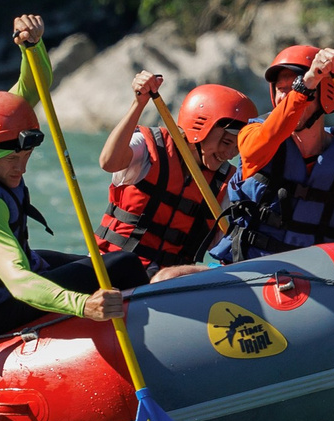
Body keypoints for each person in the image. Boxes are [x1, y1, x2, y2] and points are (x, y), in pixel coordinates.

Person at [0, 14, 139, 339]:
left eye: (26, 156)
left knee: (105, 262)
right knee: (124, 267)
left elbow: (30, 88)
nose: (21, 168)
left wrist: (31, 48)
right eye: (14, 159)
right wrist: (82, 305)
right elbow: (19, 281)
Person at [210, 44, 334, 261]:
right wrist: (307, 84)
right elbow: (261, 143)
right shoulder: (252, 135)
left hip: (316, 281)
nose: (288, 96)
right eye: (282, 89)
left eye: (296, 87)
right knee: (170, 276)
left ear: (327, 95)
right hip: (250, 273)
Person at [92, 74, 258, 277]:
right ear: (199, 127)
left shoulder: (228, 185)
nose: (230, 154)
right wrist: (139, 103)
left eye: (237, 147)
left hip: (168, 284)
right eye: (225, 142)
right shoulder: (148, 149)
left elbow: (233, 248)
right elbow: (109, 162)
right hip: (112, 269)